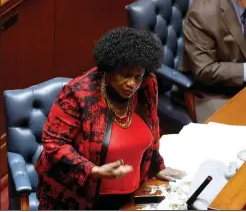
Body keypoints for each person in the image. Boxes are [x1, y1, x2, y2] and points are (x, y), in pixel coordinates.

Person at [35, 27, 185, 210]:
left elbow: (153, 128)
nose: (132, 84)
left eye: (138, 76)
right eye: (126, 75)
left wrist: (158, 166)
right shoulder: (79, 94)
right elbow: (53, 144)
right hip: (80, 199)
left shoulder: (147, 85)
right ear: (110, 69)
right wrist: (93, 170)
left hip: (133, 193)